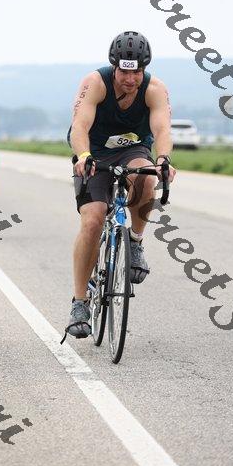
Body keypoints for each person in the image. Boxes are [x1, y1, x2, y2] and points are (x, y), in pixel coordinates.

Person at [66, 31, 176, 339]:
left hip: (133, 149)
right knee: (92, 220)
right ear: (114, 67)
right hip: (94, 154)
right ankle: (79, 302)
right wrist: (84, 156)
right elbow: (80, 126)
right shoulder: (95, 83)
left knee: (147, 176)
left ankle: (135, 242)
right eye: (124, 71)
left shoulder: (154, 89)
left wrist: (163, 159)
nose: (130, 79)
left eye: (136, 72)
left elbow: (162, 129)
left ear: (144, 69)